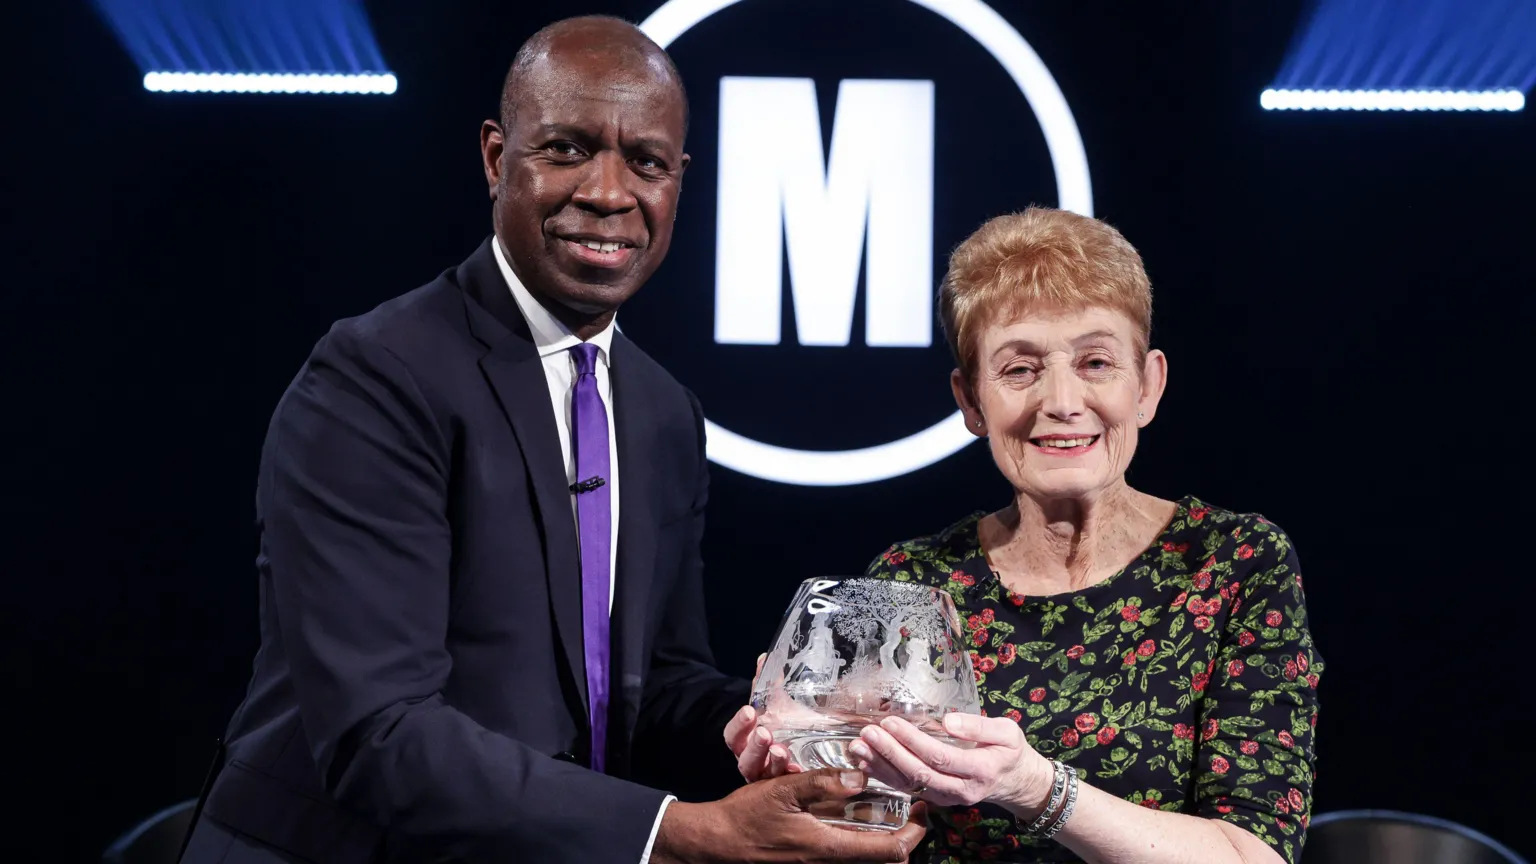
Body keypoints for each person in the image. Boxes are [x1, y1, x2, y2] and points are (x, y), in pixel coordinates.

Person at [177, 15, 924, 864]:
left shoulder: (662, 412)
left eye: (646, 163)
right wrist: (681, 833)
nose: (609, 192)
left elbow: (654, 686)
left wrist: (774, 727)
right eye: (567, 149)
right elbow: (377, 733)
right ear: (497, 158)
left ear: (678, 181)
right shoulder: (375, 378)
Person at [729, 207, 1322, 864]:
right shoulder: (913, 585)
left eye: (1096, 362)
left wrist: (1034, 787)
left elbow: (1254, 856)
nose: (1062, 401)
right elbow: (873, 830)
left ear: (1148, 386)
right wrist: (807, 779)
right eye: (1020, 370)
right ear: (972, 401)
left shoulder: (1234, 564)